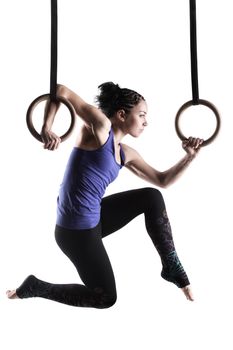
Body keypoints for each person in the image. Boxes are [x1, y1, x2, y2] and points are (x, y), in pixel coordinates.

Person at [7, 82, 203, 307]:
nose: (146, 122)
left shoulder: (125, 153)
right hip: (74, 233)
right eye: (141, 115)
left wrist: (190, 156)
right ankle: (37, 287)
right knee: (105, 298)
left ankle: (171, 265)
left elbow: (163, 181)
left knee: (152, 196)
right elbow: (60, 90)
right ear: (121, 114)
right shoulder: (98, 128)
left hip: (94, 219)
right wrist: (47, 127)